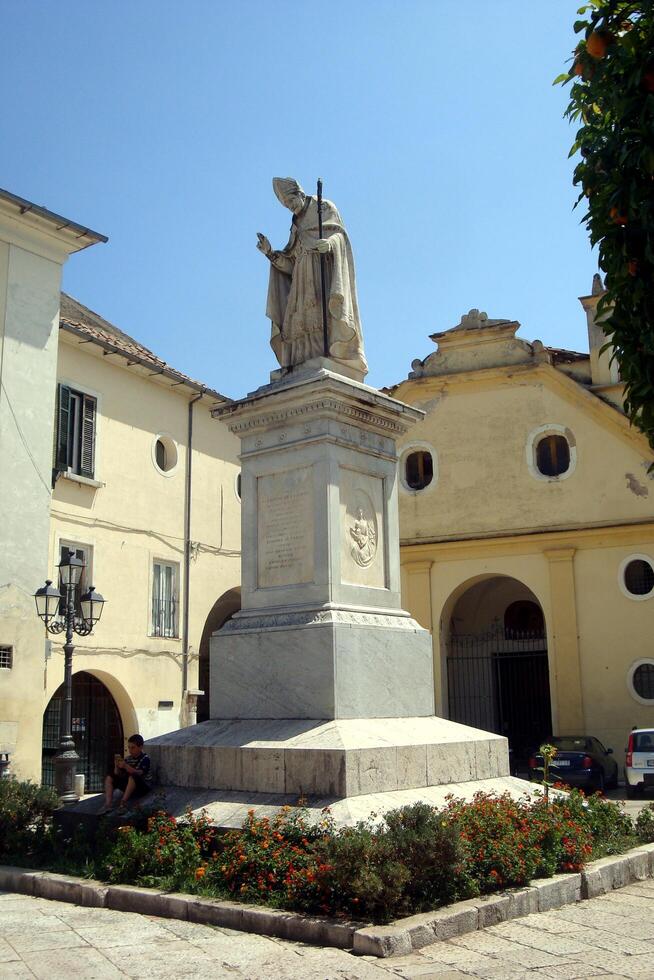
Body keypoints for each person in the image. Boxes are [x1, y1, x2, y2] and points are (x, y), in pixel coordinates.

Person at [256, 177, 368, 378]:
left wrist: (330, 244)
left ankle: (324, 356)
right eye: (287, 205)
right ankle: (300, 362)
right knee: (297, 324)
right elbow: (291, 263)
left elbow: (340, 237)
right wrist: (271, 253)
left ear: (300, 194)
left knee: (319, 318)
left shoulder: (323, 208)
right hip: (300, 282)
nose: (291, 208)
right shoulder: (295, 224)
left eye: (292, 202)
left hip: (320, 275)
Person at [101, 734, 152, 812]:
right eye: (129, 747)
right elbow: (117, 774)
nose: (130, 750)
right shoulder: (128, 759)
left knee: (133, 776)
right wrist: (117, 765)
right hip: (129, 785)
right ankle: (108, 803)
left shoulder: (145, 759)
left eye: (133, 748)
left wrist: (126, 766)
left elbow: (139, 773)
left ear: (140, 747)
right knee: (109, 777)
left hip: (142, 786)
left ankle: (123, 802)